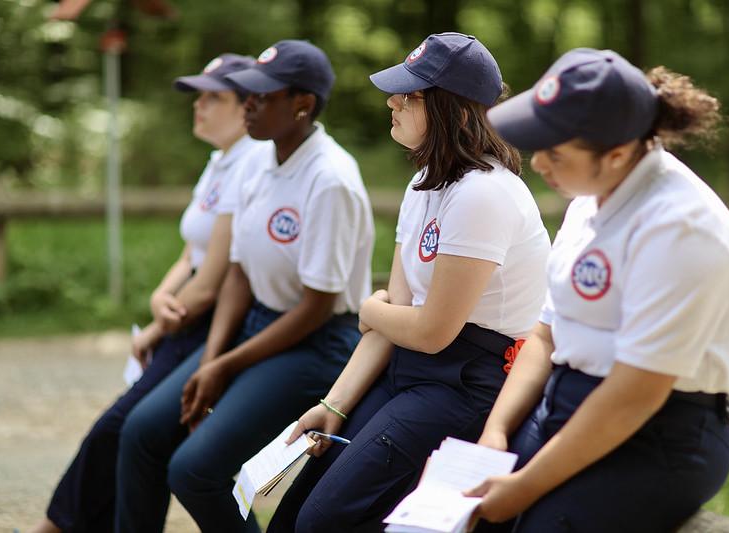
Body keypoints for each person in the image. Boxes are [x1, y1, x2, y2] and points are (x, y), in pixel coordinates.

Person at [268, 32, 551, 533]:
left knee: (322, 522)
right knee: (294, 511)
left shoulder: (482, 194)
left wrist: (368, 308)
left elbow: (428, 329)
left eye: (410, 95)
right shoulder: (423, 185)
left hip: (467, 381)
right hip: (414, 368)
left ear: (455, 111)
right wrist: (333, 404)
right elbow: (401, 315)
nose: (391, 102)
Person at [465, 48, 729, 532]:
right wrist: (495, 434)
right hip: (567, 402)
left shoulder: (682, 230)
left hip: (659, 434)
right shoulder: (591, 195)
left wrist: (526, 485)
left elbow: (633, 395)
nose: (538, 163)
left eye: (555, 153)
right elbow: (545, 336)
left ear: (618, 153)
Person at [113, 39, 374, 533]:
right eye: (247, 93)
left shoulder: (330, 179)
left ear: (302, 104)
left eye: (262, 95)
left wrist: (227, 365)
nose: (248, 103)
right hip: (257, 326)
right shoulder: (263, 161)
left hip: (312, 343)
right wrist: (213, 359)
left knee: (192, 471)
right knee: (141, 432)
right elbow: (238, 271)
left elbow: (317, 307)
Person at [30, 52, 261, 533]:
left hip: (217, 323)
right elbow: (189, 254)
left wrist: (162, 321)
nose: (198, 107)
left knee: (122, 431)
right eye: (198, 97)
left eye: (214, 98)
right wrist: (159, 299)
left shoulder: (251, 163)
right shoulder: (220, 160)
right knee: (124, 435)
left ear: (246, 106)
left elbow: (214, 280)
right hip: (186, 317)